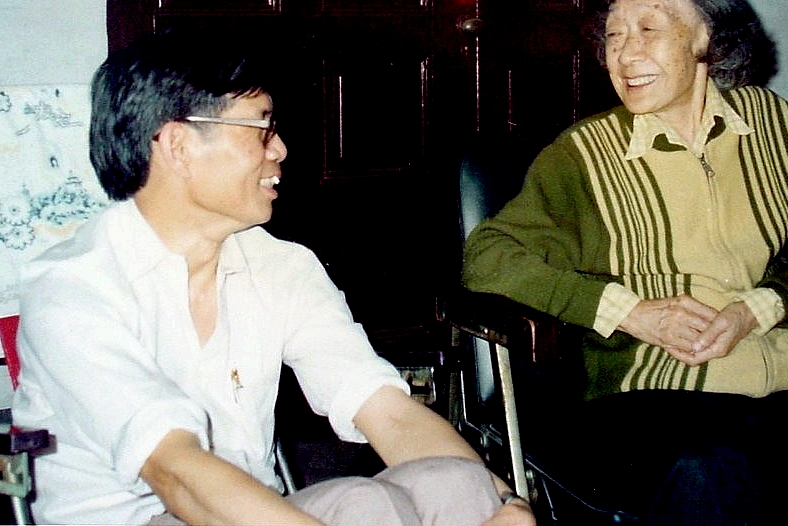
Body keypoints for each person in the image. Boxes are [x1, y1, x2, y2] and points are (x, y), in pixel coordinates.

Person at [462, 0, 788, 524]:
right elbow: (488, 257)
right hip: (654, 400)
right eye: (613, 36)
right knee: (713, 471)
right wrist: (629, 312)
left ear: (706, 35)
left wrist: (761, 307)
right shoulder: (583, 156)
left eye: (648, 30)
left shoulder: (772, 125)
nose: (624, 54)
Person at [12, 31, 534, 526]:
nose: (280, 149)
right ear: (178, 146)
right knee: (363, 504)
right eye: (260, 129)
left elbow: (386, 411)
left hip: (251, 511)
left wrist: (502, 501)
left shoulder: (280, 266)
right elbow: (175, 472)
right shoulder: (71, 290)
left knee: (456, 481)